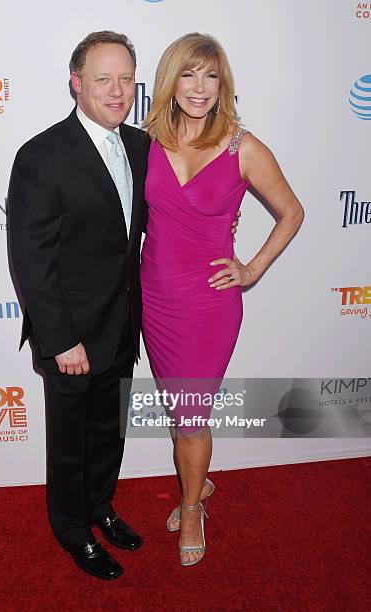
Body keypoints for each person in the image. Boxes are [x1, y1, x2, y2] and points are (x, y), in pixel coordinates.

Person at [141, 33, 304, 567]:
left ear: (223, 85)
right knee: (178, 406)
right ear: (171, 80)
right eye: (188, 75)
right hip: (155, 297)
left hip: (208, 304)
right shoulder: (145, 140)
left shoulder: (243, 146)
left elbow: (292, 212)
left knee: (190, 414)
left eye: (211, 76)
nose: (199, 88)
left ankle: (192, 507)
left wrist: (251, 269)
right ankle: (199, 483)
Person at [7, 31, 149, 581]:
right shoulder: (42, 155)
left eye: (126, 79)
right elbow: (30, 257)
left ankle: (99, 508)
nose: (117, 91)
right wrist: (61, 339)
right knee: (68, 443)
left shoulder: (140, 146)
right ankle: (72, 530)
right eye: (103, 79)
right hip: (71, 333)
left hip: (121, 325)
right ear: (76, 83)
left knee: (108, 433)